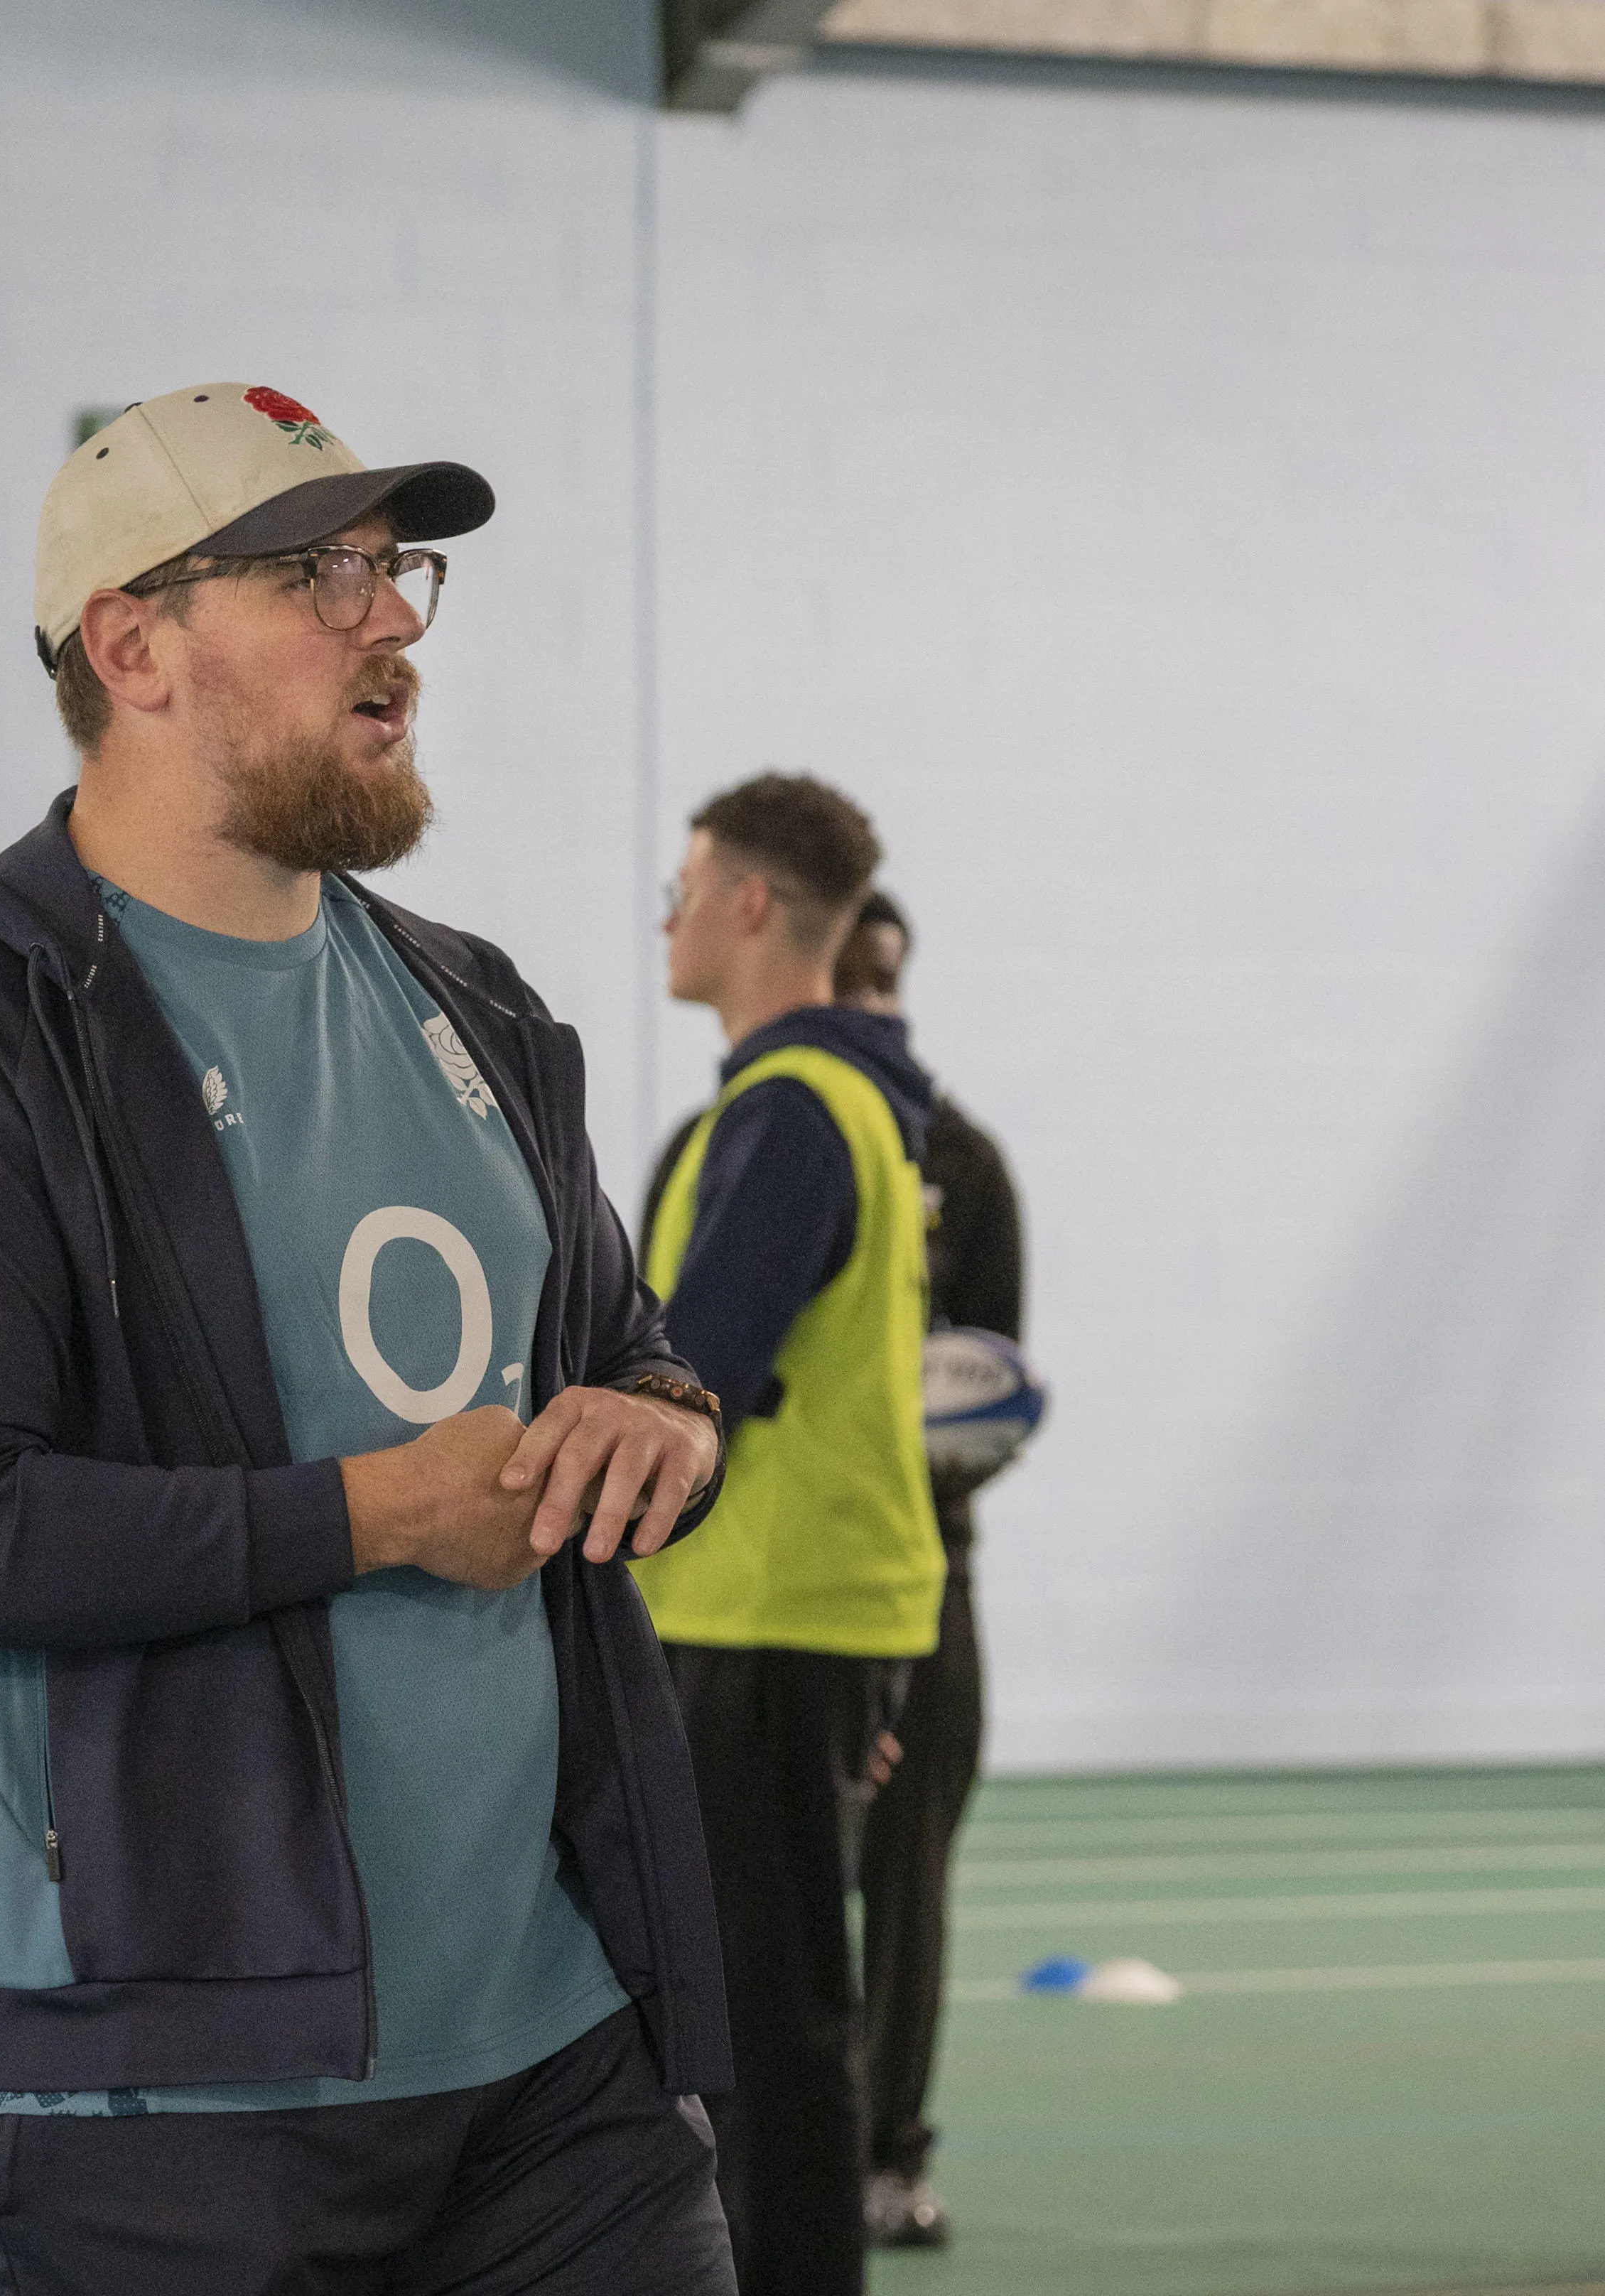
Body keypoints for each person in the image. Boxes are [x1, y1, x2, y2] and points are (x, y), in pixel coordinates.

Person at [0, 381, 735, 2295]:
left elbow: (630, 1355)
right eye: (316, 576)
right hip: (162, 2074)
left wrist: (659, 1426)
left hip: (552, 2042)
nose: (388, 622)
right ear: (132, 645)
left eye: (395, 572)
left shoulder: (473, 1011)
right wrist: (373, 1514)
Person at [635, 776, 943, 2296]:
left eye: (685, 883)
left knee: (767, 2031)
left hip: (761, 1625)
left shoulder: (790, 1114)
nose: (666, 912)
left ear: (751, 903)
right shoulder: (841, 1105)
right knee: (771, 2019)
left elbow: (693, 1382)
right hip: (808, 1624)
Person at [839, 893, 1023, 2252]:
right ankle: (749, 2148)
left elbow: (994, 1392)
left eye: (885, 975)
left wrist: (943, 1441)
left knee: (908, 1880)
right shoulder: (743, 1144)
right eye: (849, 974)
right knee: (761, 1887)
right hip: (772, 1605)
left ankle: (889, 2155)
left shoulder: (963, 1165)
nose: (868, 999)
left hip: (923, 1587)